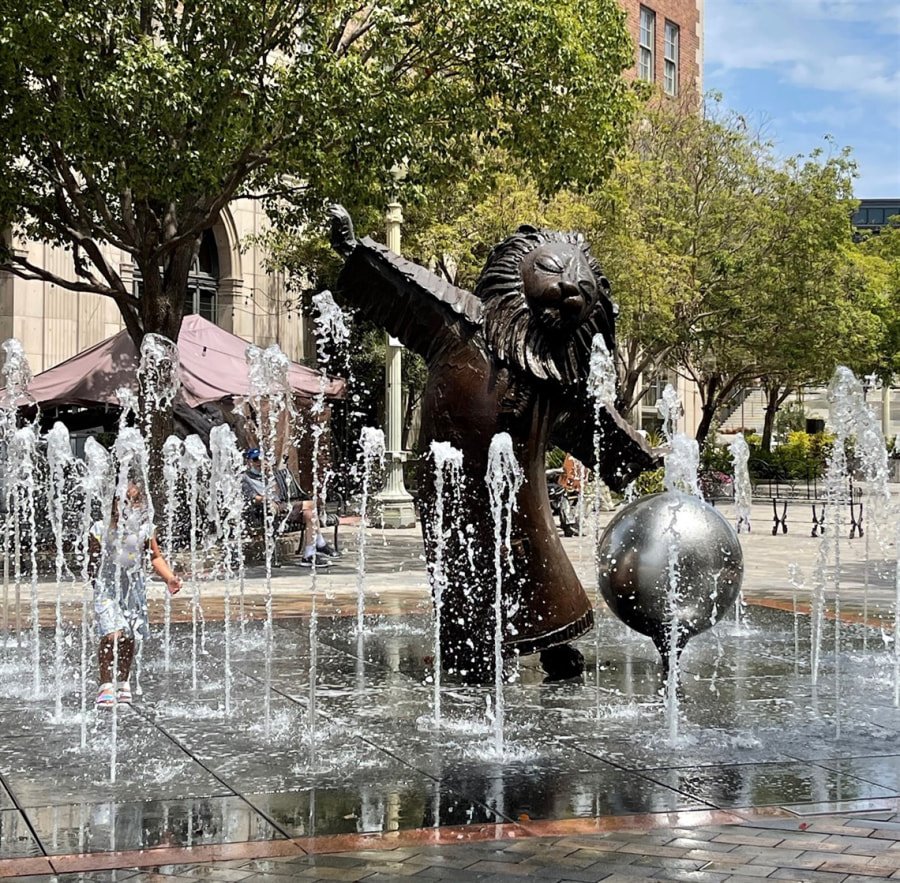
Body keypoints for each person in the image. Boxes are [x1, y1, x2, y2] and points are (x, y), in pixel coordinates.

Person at [89, 481, 182, 706]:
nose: (129, 507)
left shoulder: (144, 530)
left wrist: (169, 577)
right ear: (113, 505)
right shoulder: (100, 529)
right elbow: (91, 560)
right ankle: (105, 684)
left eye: (134, 501)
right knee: (111, 634)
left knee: (129, 636)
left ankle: (123, 680)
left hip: (133, 589)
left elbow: (155, 557)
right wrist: (95, 582)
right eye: (123, 502)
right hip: (107, 587)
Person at [241, 448, 338, 567]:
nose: (259, 463)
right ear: (249, 461)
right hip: (265, 510)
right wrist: (266, 500)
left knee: (309, 514)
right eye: (255, 460)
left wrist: (270, 475)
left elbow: (277, 493)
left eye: (261, 459)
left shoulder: (266, 475)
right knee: (311, 505)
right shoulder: (244, 478)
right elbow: (252, 497)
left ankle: (309, 554)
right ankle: (320, 544)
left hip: (281, 507)